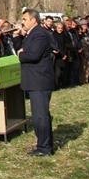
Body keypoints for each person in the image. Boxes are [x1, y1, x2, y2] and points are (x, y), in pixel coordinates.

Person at [17, 8, 56, 157]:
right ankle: (44, 144)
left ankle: (44, 148)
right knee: (39, 115)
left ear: (34, 20)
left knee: (40, 116)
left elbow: (33, 55)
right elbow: (23, 48)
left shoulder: (39, 34)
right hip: (35, 80)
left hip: (39, 80)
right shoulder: (32, 34)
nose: (22, 22)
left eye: (25, 19)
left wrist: (21, 54)